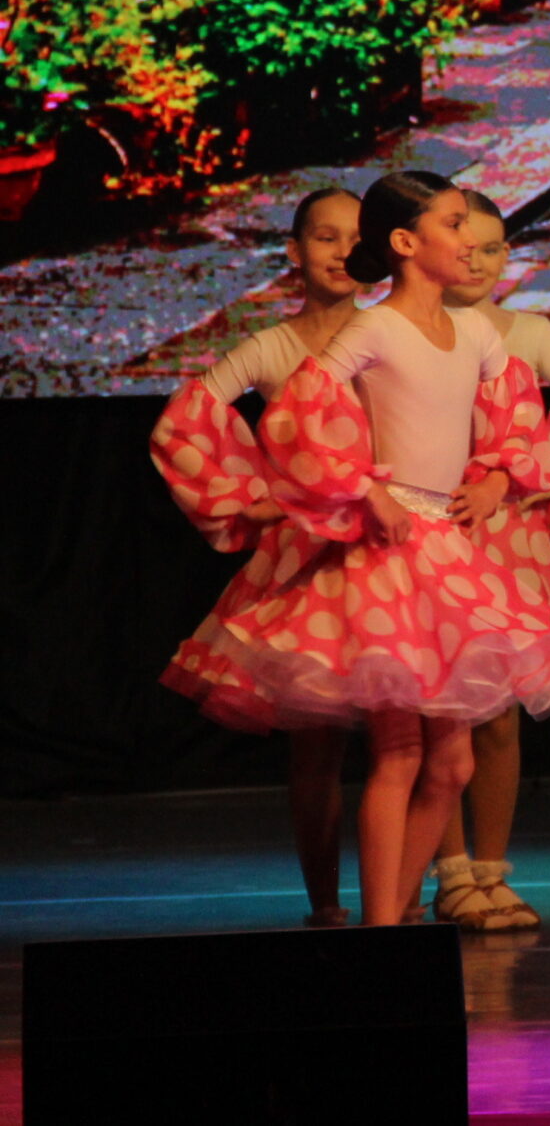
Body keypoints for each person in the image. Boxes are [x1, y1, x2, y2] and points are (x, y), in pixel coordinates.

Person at [172, 171, 550, 925]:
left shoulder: (476, 333)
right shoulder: (373, 329)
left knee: (455, 761)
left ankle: (397, 913)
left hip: (446, 547)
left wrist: (498, 477)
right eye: (454, 224)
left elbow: (515, 409)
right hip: (385, 556)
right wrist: (360, 487)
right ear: (407, 243)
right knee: (401, 754)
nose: (468, 241)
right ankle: (380, 927)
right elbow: (302, 411)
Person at [154, 186, 371, 926]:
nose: (342, 251)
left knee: (410, 736)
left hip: (394, 550)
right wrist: (251, 499)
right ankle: (328, 906)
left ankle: (403, 903)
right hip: (309, 566)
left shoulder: (391, 334)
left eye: (357, 238)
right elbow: (184, 420)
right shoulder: (273, 347)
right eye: (326, 237)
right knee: (317, 747)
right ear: (295, 252)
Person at [426, 192, 550, 932]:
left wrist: (542, 476)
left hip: (507, 543)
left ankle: (490, 869)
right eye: (464, 246)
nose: (477, 261)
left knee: (500, 717)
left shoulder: (530, 332)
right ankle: (450, 872)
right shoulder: (409, 332)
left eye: (492, 248)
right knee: (441, 713)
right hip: (434, 535)